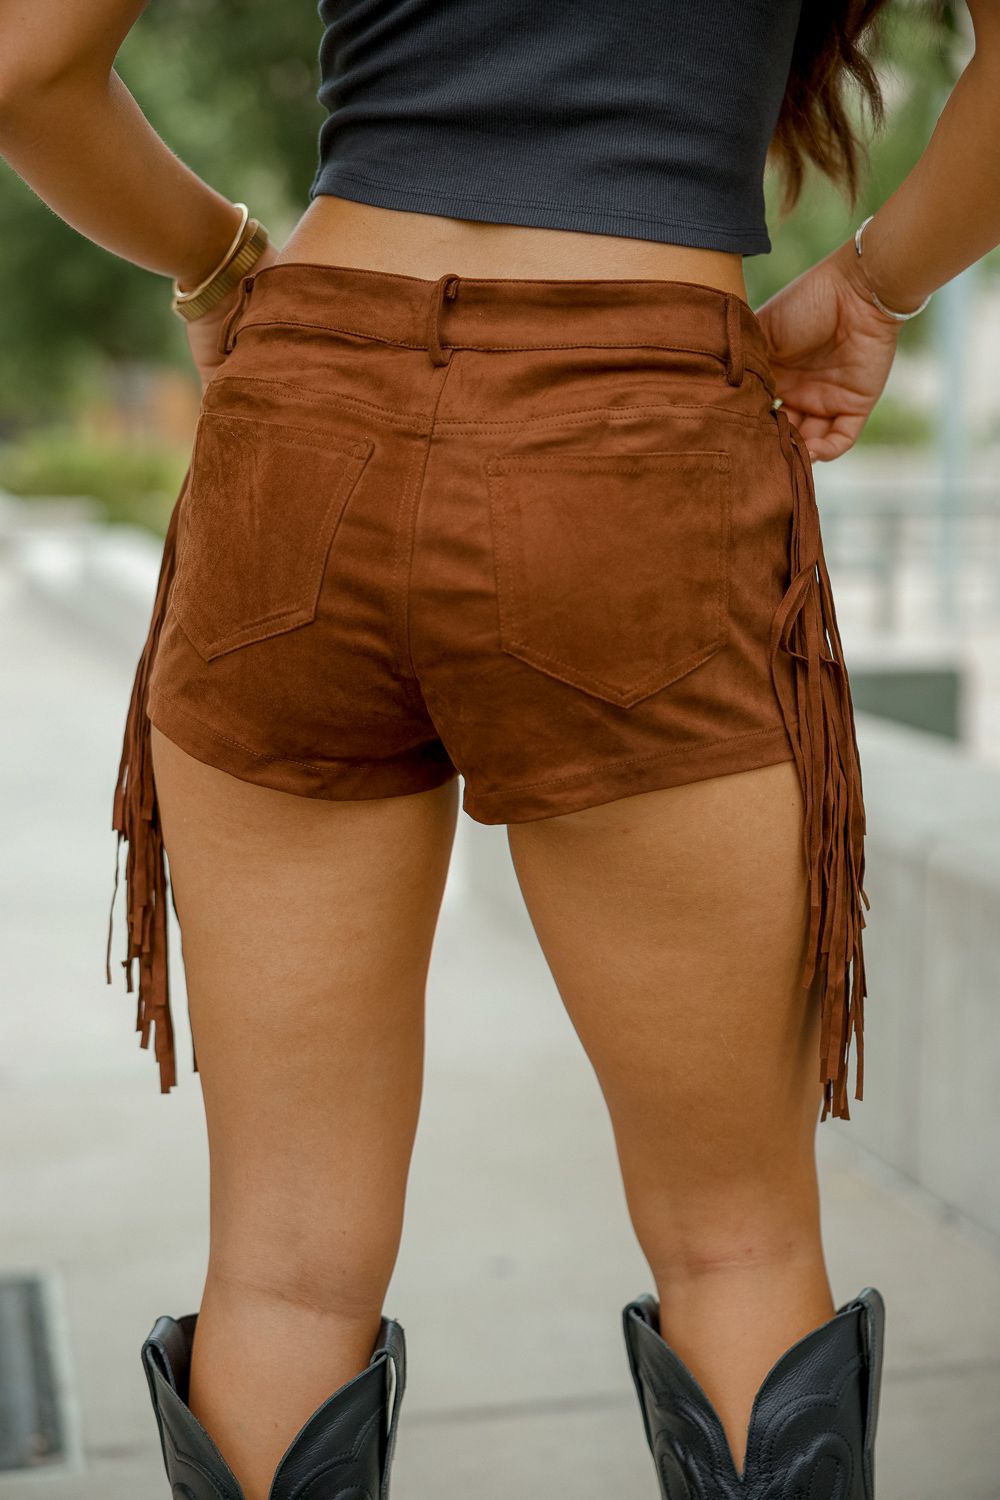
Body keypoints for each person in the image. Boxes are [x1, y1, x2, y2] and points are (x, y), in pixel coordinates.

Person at [1, 1, 997, 1495]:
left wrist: (213, 258)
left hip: (305, 419)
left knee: (281, 1269)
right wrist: (874, 285)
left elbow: (26, 69)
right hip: (634, 430)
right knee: (736, 1242)